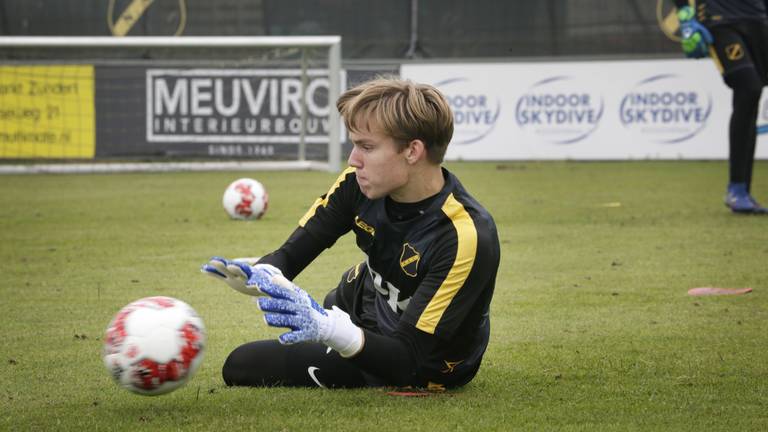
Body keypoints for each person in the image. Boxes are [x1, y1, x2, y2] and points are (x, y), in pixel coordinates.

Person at [202, 77, 501, 389]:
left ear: (412, 151)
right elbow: (292, 254)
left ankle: (355, 346)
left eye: (366, 147)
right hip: (372, 300)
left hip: (428, 361)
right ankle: (354, 334)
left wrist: (330, 330)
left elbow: (406, 358)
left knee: (242, 364)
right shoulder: (356, 183)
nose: (353, 159)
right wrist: (263, 273)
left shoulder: (464, 235)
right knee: (345, 289)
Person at [674, 0, 768, 214]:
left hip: (758, 20)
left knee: (751, 98)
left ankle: (742, 190)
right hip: (720, 22)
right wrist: (684, 14)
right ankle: (736, 189)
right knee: (749, 87)